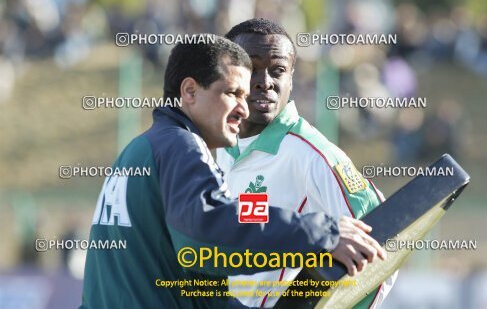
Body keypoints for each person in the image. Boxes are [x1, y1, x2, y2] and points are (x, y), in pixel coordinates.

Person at [80, 35, 386, 308]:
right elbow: (205, 232)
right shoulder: (181, 146)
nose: (244, 107)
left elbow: (189, 271)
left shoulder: (139, 149)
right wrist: (321, 232)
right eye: (232, 93)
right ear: (189, 92)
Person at [216, 19, 397, 308]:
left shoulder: (314, 156)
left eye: (278, 70)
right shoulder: (210, 147)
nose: (265, 81)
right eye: (251, 68)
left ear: (291, 77)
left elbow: (384, 246)